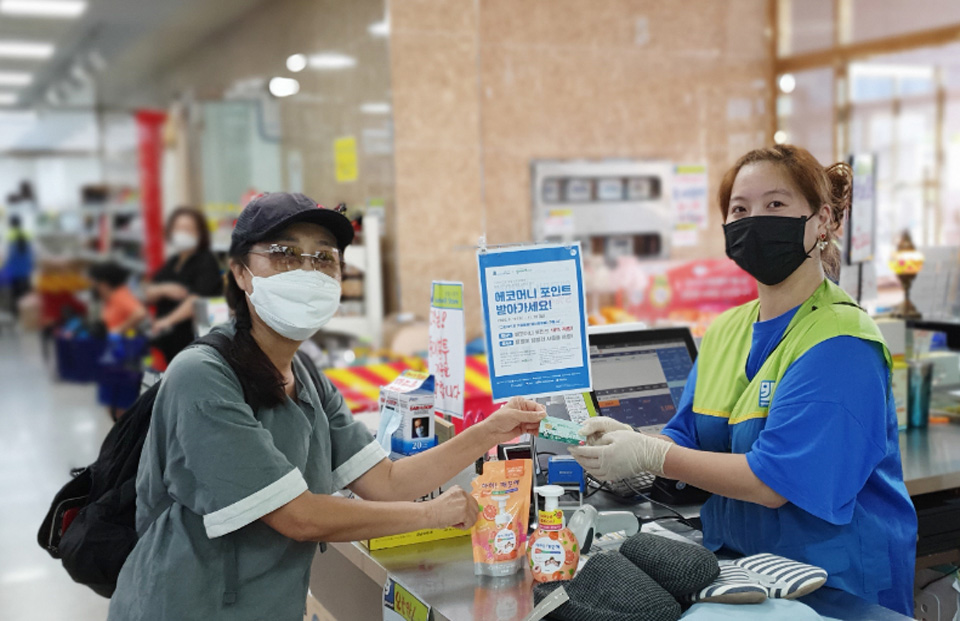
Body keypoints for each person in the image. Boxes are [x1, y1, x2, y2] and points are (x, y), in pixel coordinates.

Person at [108, 192, 546, 620]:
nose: (306, 270)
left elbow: (389, 481)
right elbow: (298, 517)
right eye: (284, 253)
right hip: (184, 604)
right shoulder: (203, 376)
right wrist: (430, 515)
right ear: (241, 273)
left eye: (323, 258)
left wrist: (491, 430)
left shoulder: (307, 377)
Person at [570, 145, 917, 615]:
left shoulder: (841, 342)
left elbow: (773, 483)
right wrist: (630, 450)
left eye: (775, 204)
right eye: (740, 209)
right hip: (738, 575)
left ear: (823, 222)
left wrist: (656, 454)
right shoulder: (726, 331)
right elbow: (685, 436)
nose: (755, 220)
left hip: (834, 587)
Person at [145, 207, 223, 365]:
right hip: (166, 342)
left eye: (188, 229)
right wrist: (163, 289)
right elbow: (146, 292)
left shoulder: (206, 261)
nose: (183, 233)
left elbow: (196, 301)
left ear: (200, 233)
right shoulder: (173, 262)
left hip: (192, 344)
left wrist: (165, 322)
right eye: (178, 228)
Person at [89, 261, 147, 335]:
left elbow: (140, 313)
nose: (93, 289)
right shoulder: (108, 301)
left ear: (104, 284)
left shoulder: (119, 295)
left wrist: (119, 330)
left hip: (129, 340)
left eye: (95, 285)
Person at [3, 215, 33, 318]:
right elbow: (33, 252)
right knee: (26, 292)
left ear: (11, 224)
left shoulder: (9, 235)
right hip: (26, 269)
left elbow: (6, 255)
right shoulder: (27, 234)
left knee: (15, 292)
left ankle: (16, 313)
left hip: (14, 270)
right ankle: (27, 312)